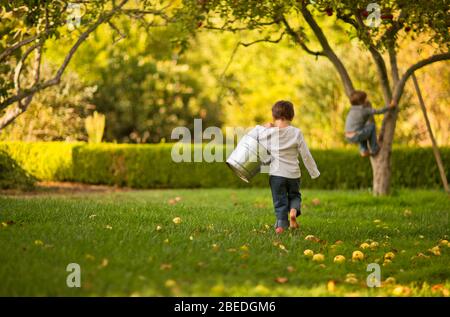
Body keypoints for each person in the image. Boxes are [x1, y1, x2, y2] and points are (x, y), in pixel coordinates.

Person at [247, 100, 320, 234]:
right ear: (291, 116)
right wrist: (314, 172)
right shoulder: (296, 133)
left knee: (280, 201)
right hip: (293, 174)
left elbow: (249, 137)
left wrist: (264, 127)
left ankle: (281, 226)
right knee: (295, 196)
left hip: (277, 174)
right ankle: (293, 211)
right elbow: (306, 155)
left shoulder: (267, 133)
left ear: (274, 116)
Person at [344, 90, 396, 157]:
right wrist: (391, 106)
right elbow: (379, 111)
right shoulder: (364, 110)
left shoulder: (352, 110)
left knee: (363, 129)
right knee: (371, 126)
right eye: (365, 98)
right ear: (361, 102)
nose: (367, 99)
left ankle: (364, 151)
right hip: (356, 135)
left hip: (348, 135)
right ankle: (374, 148)